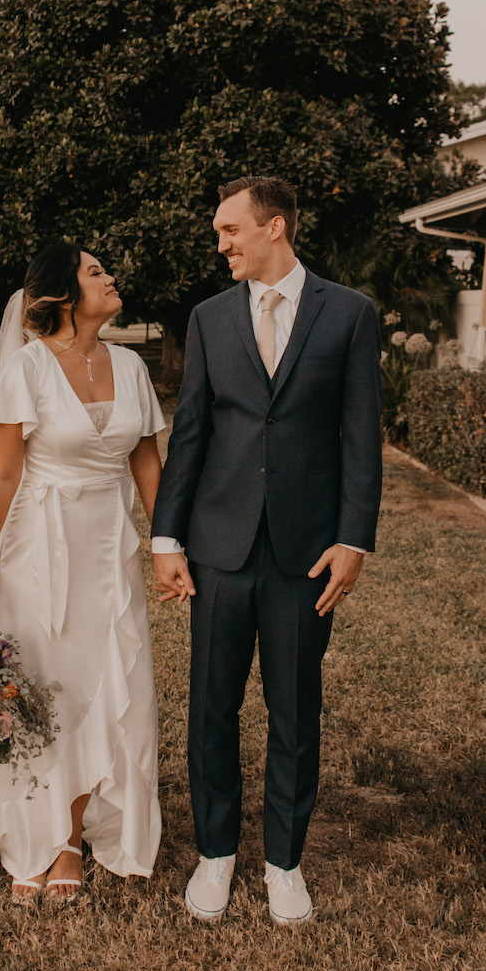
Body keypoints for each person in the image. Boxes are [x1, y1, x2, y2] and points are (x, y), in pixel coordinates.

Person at [151, 176, 382, 927]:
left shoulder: (348, 314)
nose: (220, 244)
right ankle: (216, 854)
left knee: (293, 710)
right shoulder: (210, 318)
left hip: (304, 552)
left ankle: (284, 862)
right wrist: (166, 538)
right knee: (211, 708)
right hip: (217, 546)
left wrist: (352, 538)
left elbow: (359, 435)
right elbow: (190, 433)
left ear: (274, 227)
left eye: (230, 230)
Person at [0, 243, 165, 905]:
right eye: (96, 272)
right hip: (37, 552)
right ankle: (30, 837)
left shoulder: (130, 366)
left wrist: (166, 547)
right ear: (63, 295)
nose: (111, 276)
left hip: (108, 552)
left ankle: (68, 839)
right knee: (48, 692)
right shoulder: (28, 370)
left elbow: (148, 467)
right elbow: (4, 475)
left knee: (101, 684)